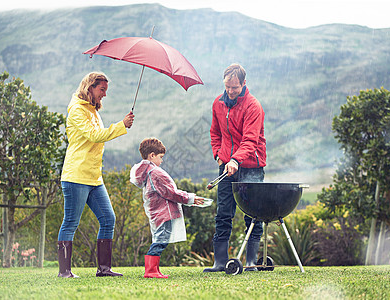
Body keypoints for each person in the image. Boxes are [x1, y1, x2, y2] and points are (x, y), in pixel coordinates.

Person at [57, 72, 135, 278]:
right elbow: (94, 136)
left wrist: (120, 126)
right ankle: (64, 272)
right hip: (76, 176)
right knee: (71, 222)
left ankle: (104, 269)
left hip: (94, 177)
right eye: (102, 90)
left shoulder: (93, 111)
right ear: (90, 87)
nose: (105, 95)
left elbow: (97, 137)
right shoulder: (77, 110)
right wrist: (121, 125)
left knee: (108, 218)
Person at [204, 63, 267, 272]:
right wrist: (218, 156)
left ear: (244, 84)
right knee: (223, 213)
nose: (230, 91)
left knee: (253, 215)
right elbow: (215, 133)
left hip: (251, 167)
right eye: (227, 87)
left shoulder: (253, 106)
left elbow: (250, 140)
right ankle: (219, 262)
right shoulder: (218, 104)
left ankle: (251, 263)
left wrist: (236, 160)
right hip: (226, 167)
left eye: (235, 87)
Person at [130, 137, 204, 279]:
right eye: (160, 157)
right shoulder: (155, 173)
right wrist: (190, 198)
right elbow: (170, 192)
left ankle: (154, 270)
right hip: (163, 212)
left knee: (160, 239)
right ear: (152, 155)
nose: (161, 161)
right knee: (160, 240)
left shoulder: (148, 172)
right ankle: (151, 271)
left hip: (157, 212)